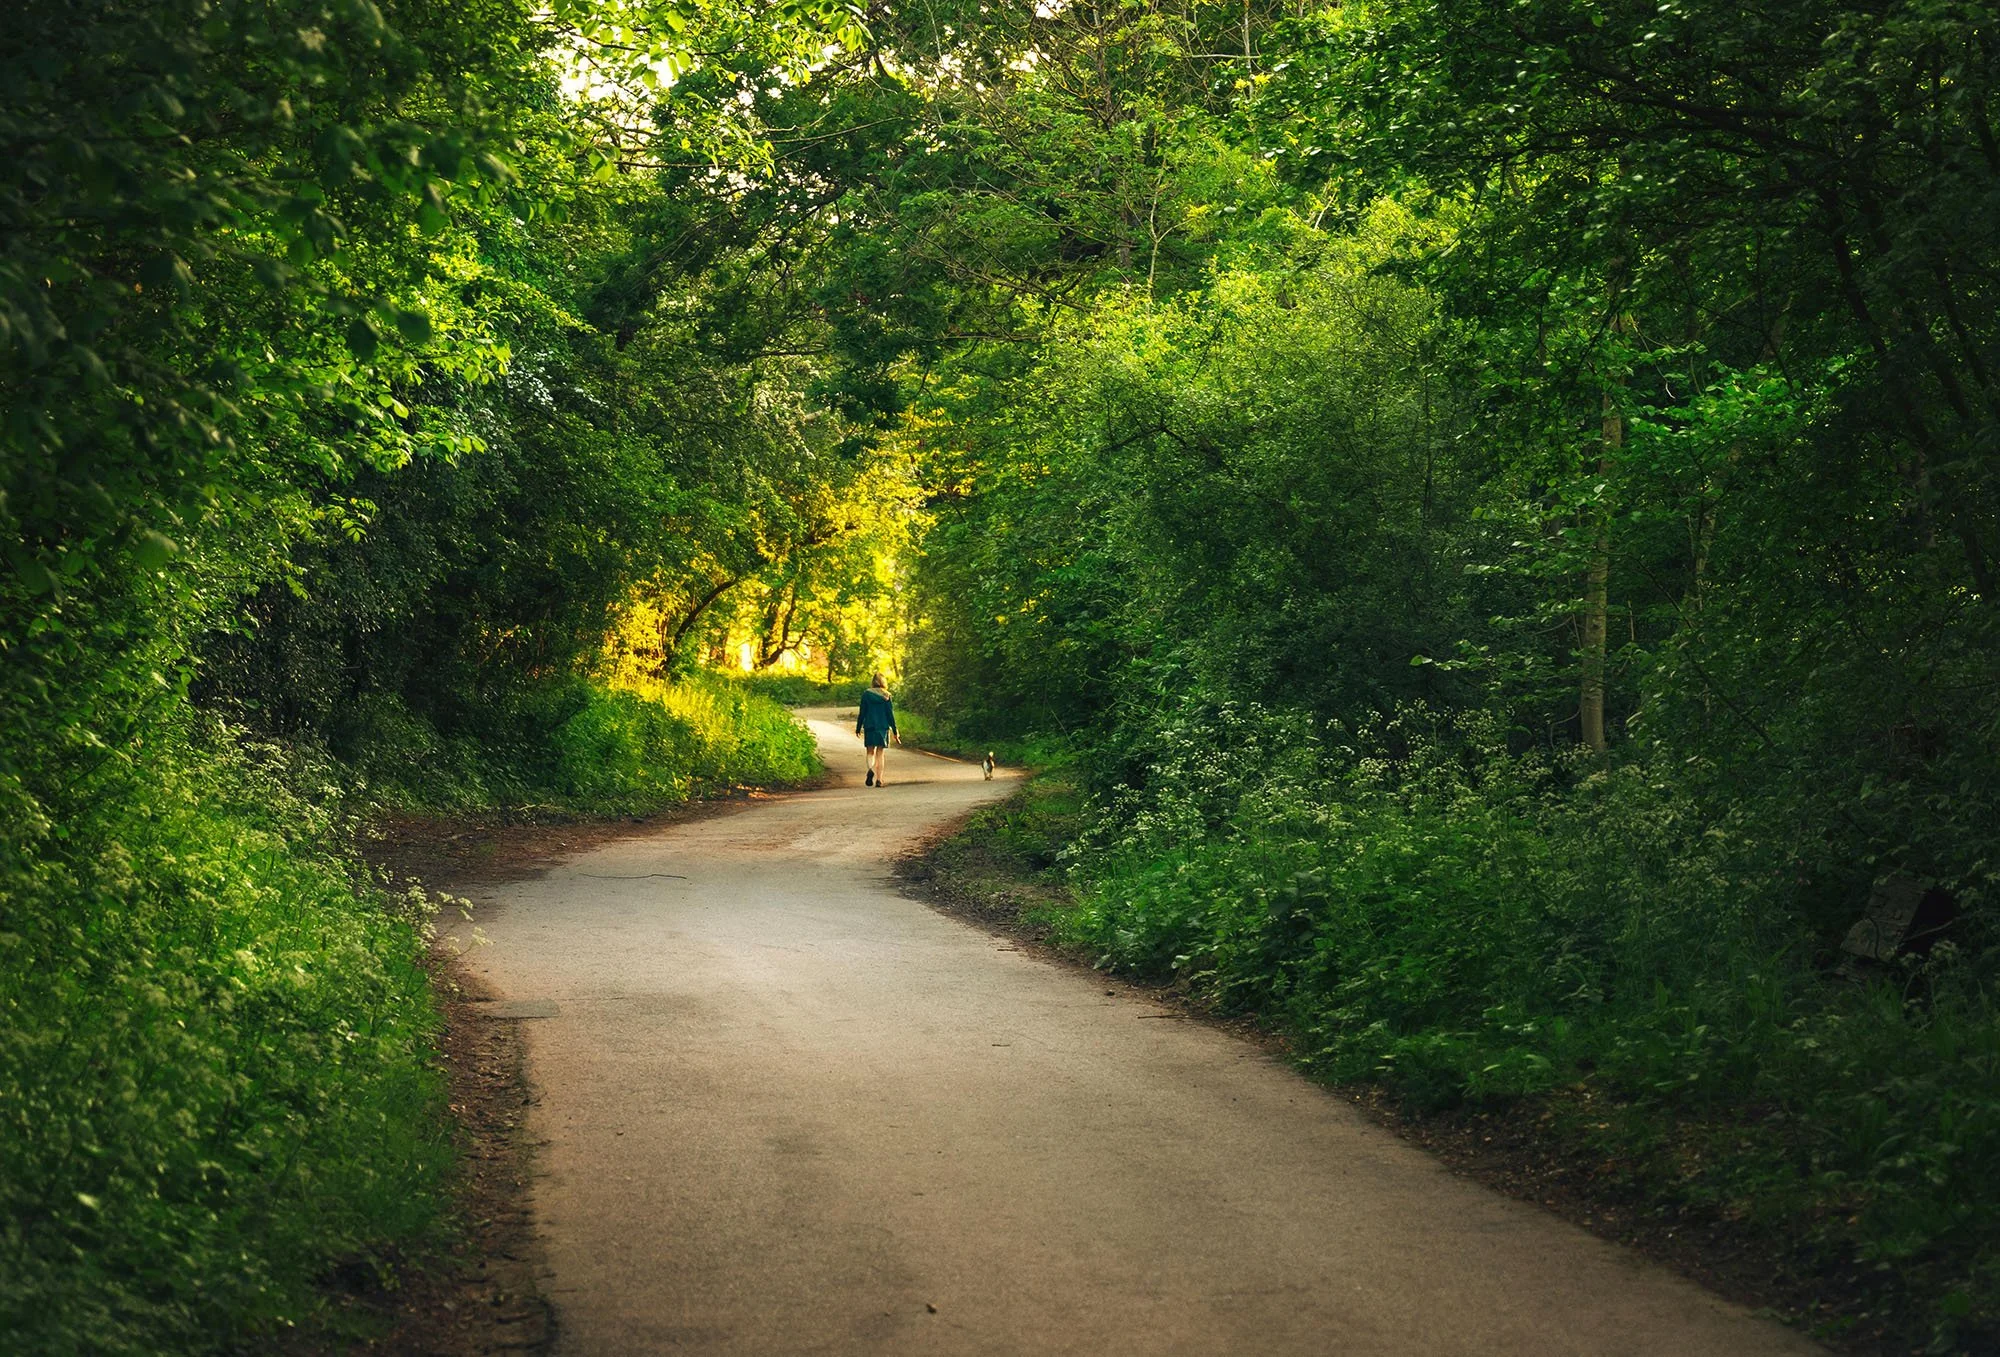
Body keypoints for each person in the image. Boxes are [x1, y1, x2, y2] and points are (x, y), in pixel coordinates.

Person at [855, 673, 899, 786]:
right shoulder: (887, 695)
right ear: (883, 682)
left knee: (870, 751)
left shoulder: (866, 694)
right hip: (882, 727)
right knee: (880, 753)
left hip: (870, 726)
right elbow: (890, 714)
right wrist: (895, 730)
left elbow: (862, 712)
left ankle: (870, 769)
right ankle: (879, 779)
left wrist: (858, 727)